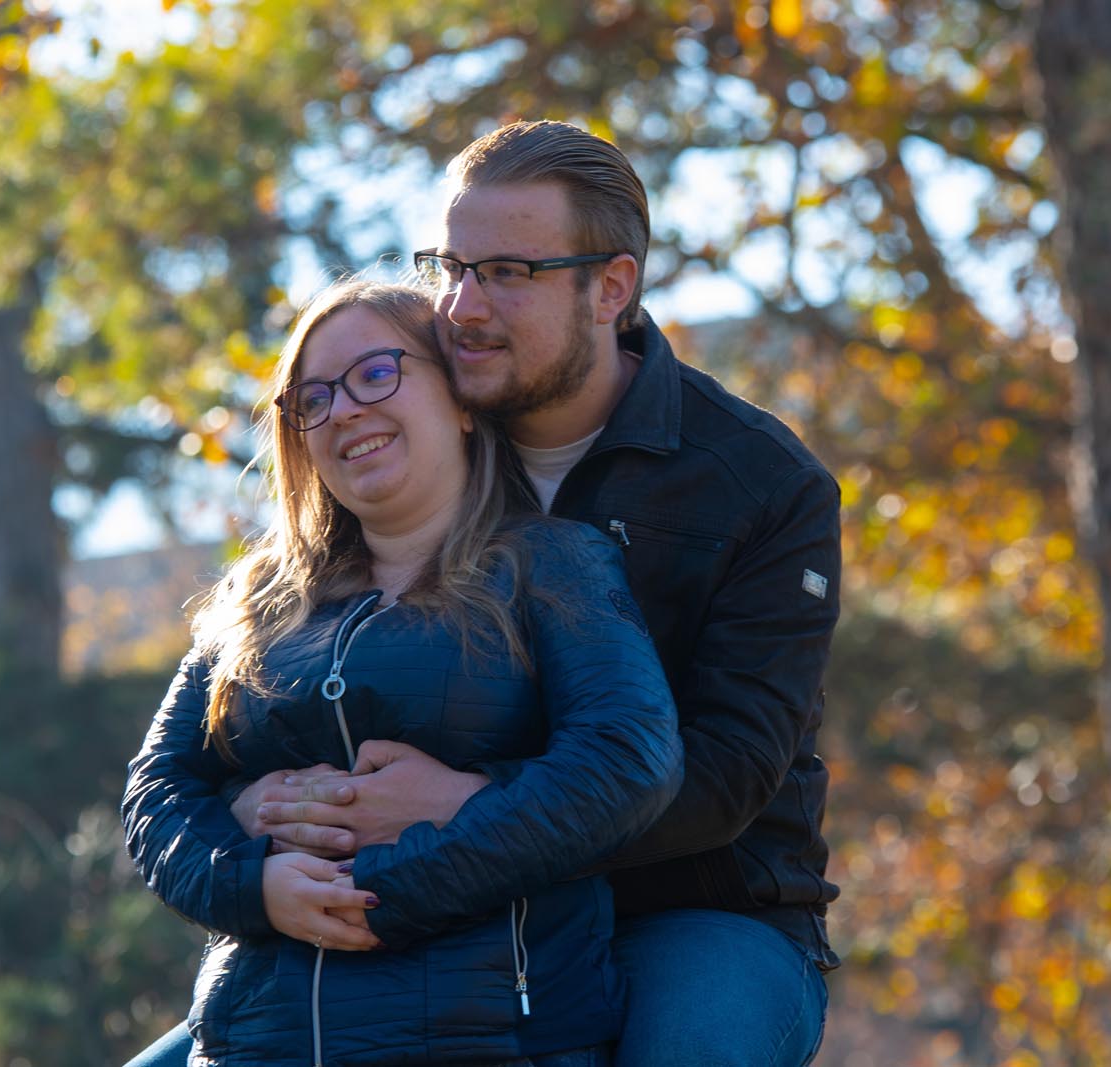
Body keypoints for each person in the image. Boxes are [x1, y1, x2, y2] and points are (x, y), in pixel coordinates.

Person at [127, 120, 841, 1067]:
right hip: (430, 919)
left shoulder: (759, 484)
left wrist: (464, 805)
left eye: (507, 271)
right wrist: (266, 810)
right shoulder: (420, 425)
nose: (463, 305)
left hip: (695, 904)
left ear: (611, 288)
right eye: (451, 267)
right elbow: (212, 747)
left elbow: (728, 771)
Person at [121, 278, 684, 1066]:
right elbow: (157, 789)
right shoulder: (255, 602)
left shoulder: (552, 563)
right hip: (259, 1041)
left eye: (376, 373)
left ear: (461, 402)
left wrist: (393, 875)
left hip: (489, 1037)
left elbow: (628, 759)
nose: (343, 410)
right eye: (312, 399)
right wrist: (256, 886)